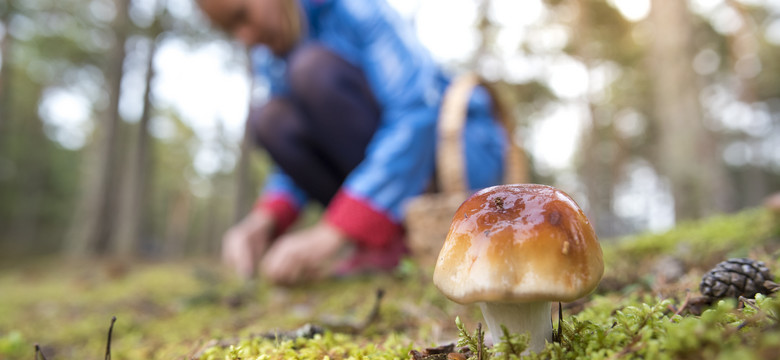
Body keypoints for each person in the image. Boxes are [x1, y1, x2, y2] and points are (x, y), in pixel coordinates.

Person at [198, 0, 509, 285]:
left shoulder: (356, 10)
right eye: (230, 30)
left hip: (452, 159)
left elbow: (416, 112)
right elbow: (305, 146)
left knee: (312, 70)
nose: (246, 38)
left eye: (242, 16)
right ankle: (382, 240)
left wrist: (333, 231)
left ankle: (390, 232)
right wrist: (265, 218)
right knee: (269, 119)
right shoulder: (273, 58)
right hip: (380, 168)